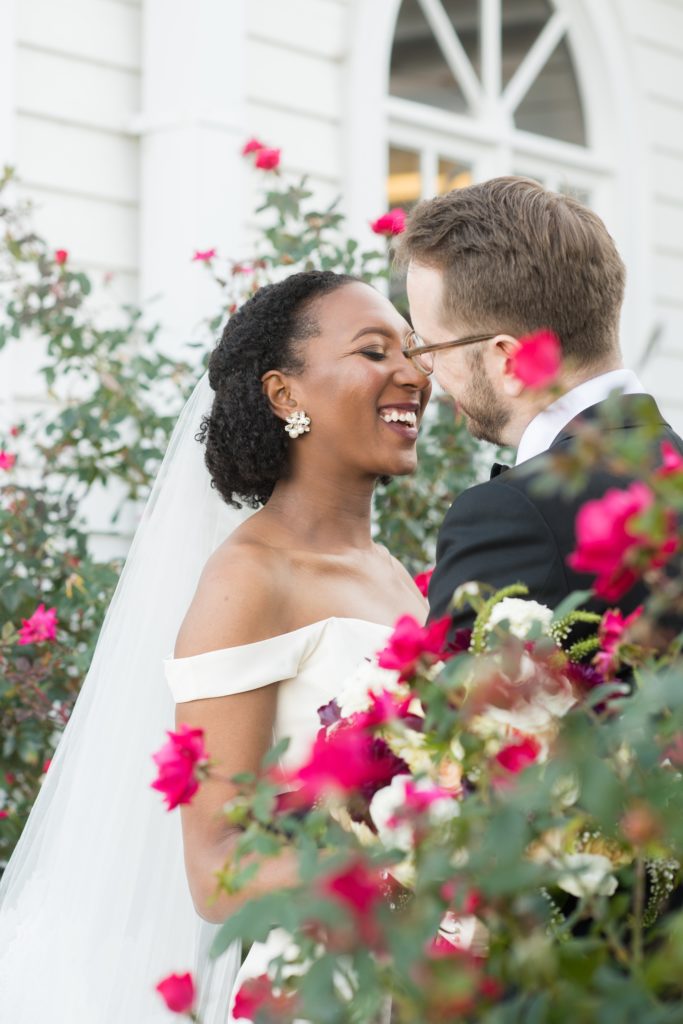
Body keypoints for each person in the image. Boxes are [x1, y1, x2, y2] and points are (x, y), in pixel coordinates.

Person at [0, 270, 430, 1023]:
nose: (414, 372)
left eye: (413, 349)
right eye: (374, 350)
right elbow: (217, 870)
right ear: (284, 395)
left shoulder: (393, 572)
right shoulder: (248, 578)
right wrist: (406, 857)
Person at [396, 176, 683, 630]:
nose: (423, 371)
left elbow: (460, 699)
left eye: (429, 348)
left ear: (509, 361)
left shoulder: (511, 518)